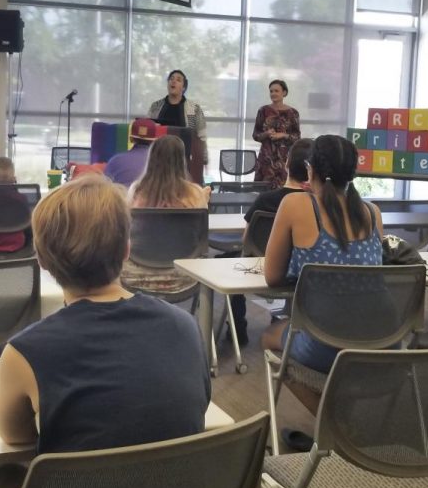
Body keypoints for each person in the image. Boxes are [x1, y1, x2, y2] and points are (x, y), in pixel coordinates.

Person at [0, 174, 210, 488]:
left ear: (42, 259)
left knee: (4, 482)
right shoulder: (186, 328)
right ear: (127, 249)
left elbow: (14, 436)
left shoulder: (25, 352)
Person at [262, 134, 383, 416]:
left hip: (326, 343)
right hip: (382, 340)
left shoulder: (295, 206)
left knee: (269, 336)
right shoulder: (372, 212)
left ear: (310, 168)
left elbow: (272, 277)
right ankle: (344, 418)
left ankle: (332, 421)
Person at [226, 138, 314, 346]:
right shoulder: (315, 203)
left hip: (260, 267)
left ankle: (237, 330)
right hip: (301, 274)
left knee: (229, 261)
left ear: (286, 164)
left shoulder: (266, 200)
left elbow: (247, 240)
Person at [121, 134, 211, 296]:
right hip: (184, 275)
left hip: (136, 276)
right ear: (182, 160)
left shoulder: (136, 190)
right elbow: (201, 235)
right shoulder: (195, 193)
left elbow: (125, 229)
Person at [148, 69, 207, 184]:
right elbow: (149, 129)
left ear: (184, 87)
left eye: (178, 80)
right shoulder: (155, 106)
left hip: (184, 157)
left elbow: (202, 136)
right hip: (160, 158)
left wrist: (203, 159)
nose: (173, 82)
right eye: (171, 79)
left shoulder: (194, 109)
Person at [253, 79, 301, 189]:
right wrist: (266, 133)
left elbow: (298, 138)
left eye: (276, 91)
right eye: (271, 91)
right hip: (266, 158)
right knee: (263, 191)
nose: (273, 94)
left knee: (283, 191)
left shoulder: (293, 113)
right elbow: (255, 135)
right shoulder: (263, 111)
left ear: (284, 93)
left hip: (285, 159)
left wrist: (283, 135)